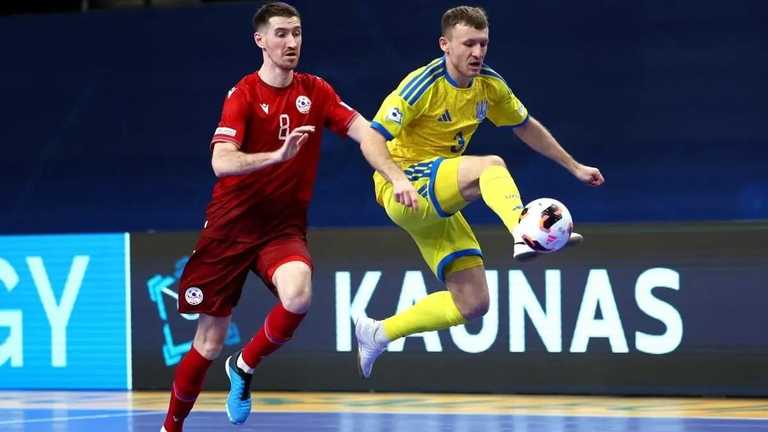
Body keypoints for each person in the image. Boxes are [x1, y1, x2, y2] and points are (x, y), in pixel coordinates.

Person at [355, 5, 604, 378]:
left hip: (437, 202)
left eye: (483, 43)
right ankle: (525, 231)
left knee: (473, 304)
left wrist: (574, 166)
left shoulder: (490, 85)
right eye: (468, 43)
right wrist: (397, 178)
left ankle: (378, 332)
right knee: (490, 166)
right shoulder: (421, 85)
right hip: (404, 187)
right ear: (445, 45)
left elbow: (525, 125)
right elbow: (371, 138)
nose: (477, 52)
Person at [160, 2, 369, 431]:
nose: (291, 42)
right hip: (230, 228)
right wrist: (276, 156)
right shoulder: (243, 95)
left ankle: (245, 366)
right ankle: (171, 427)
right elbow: (221, 161)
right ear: (260, 40)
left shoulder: (316, 90)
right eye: (281, 34)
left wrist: (390, 159)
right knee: (209, 341)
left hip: (280, 228)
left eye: (296, 33)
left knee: (299, 296)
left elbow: (361, 127)